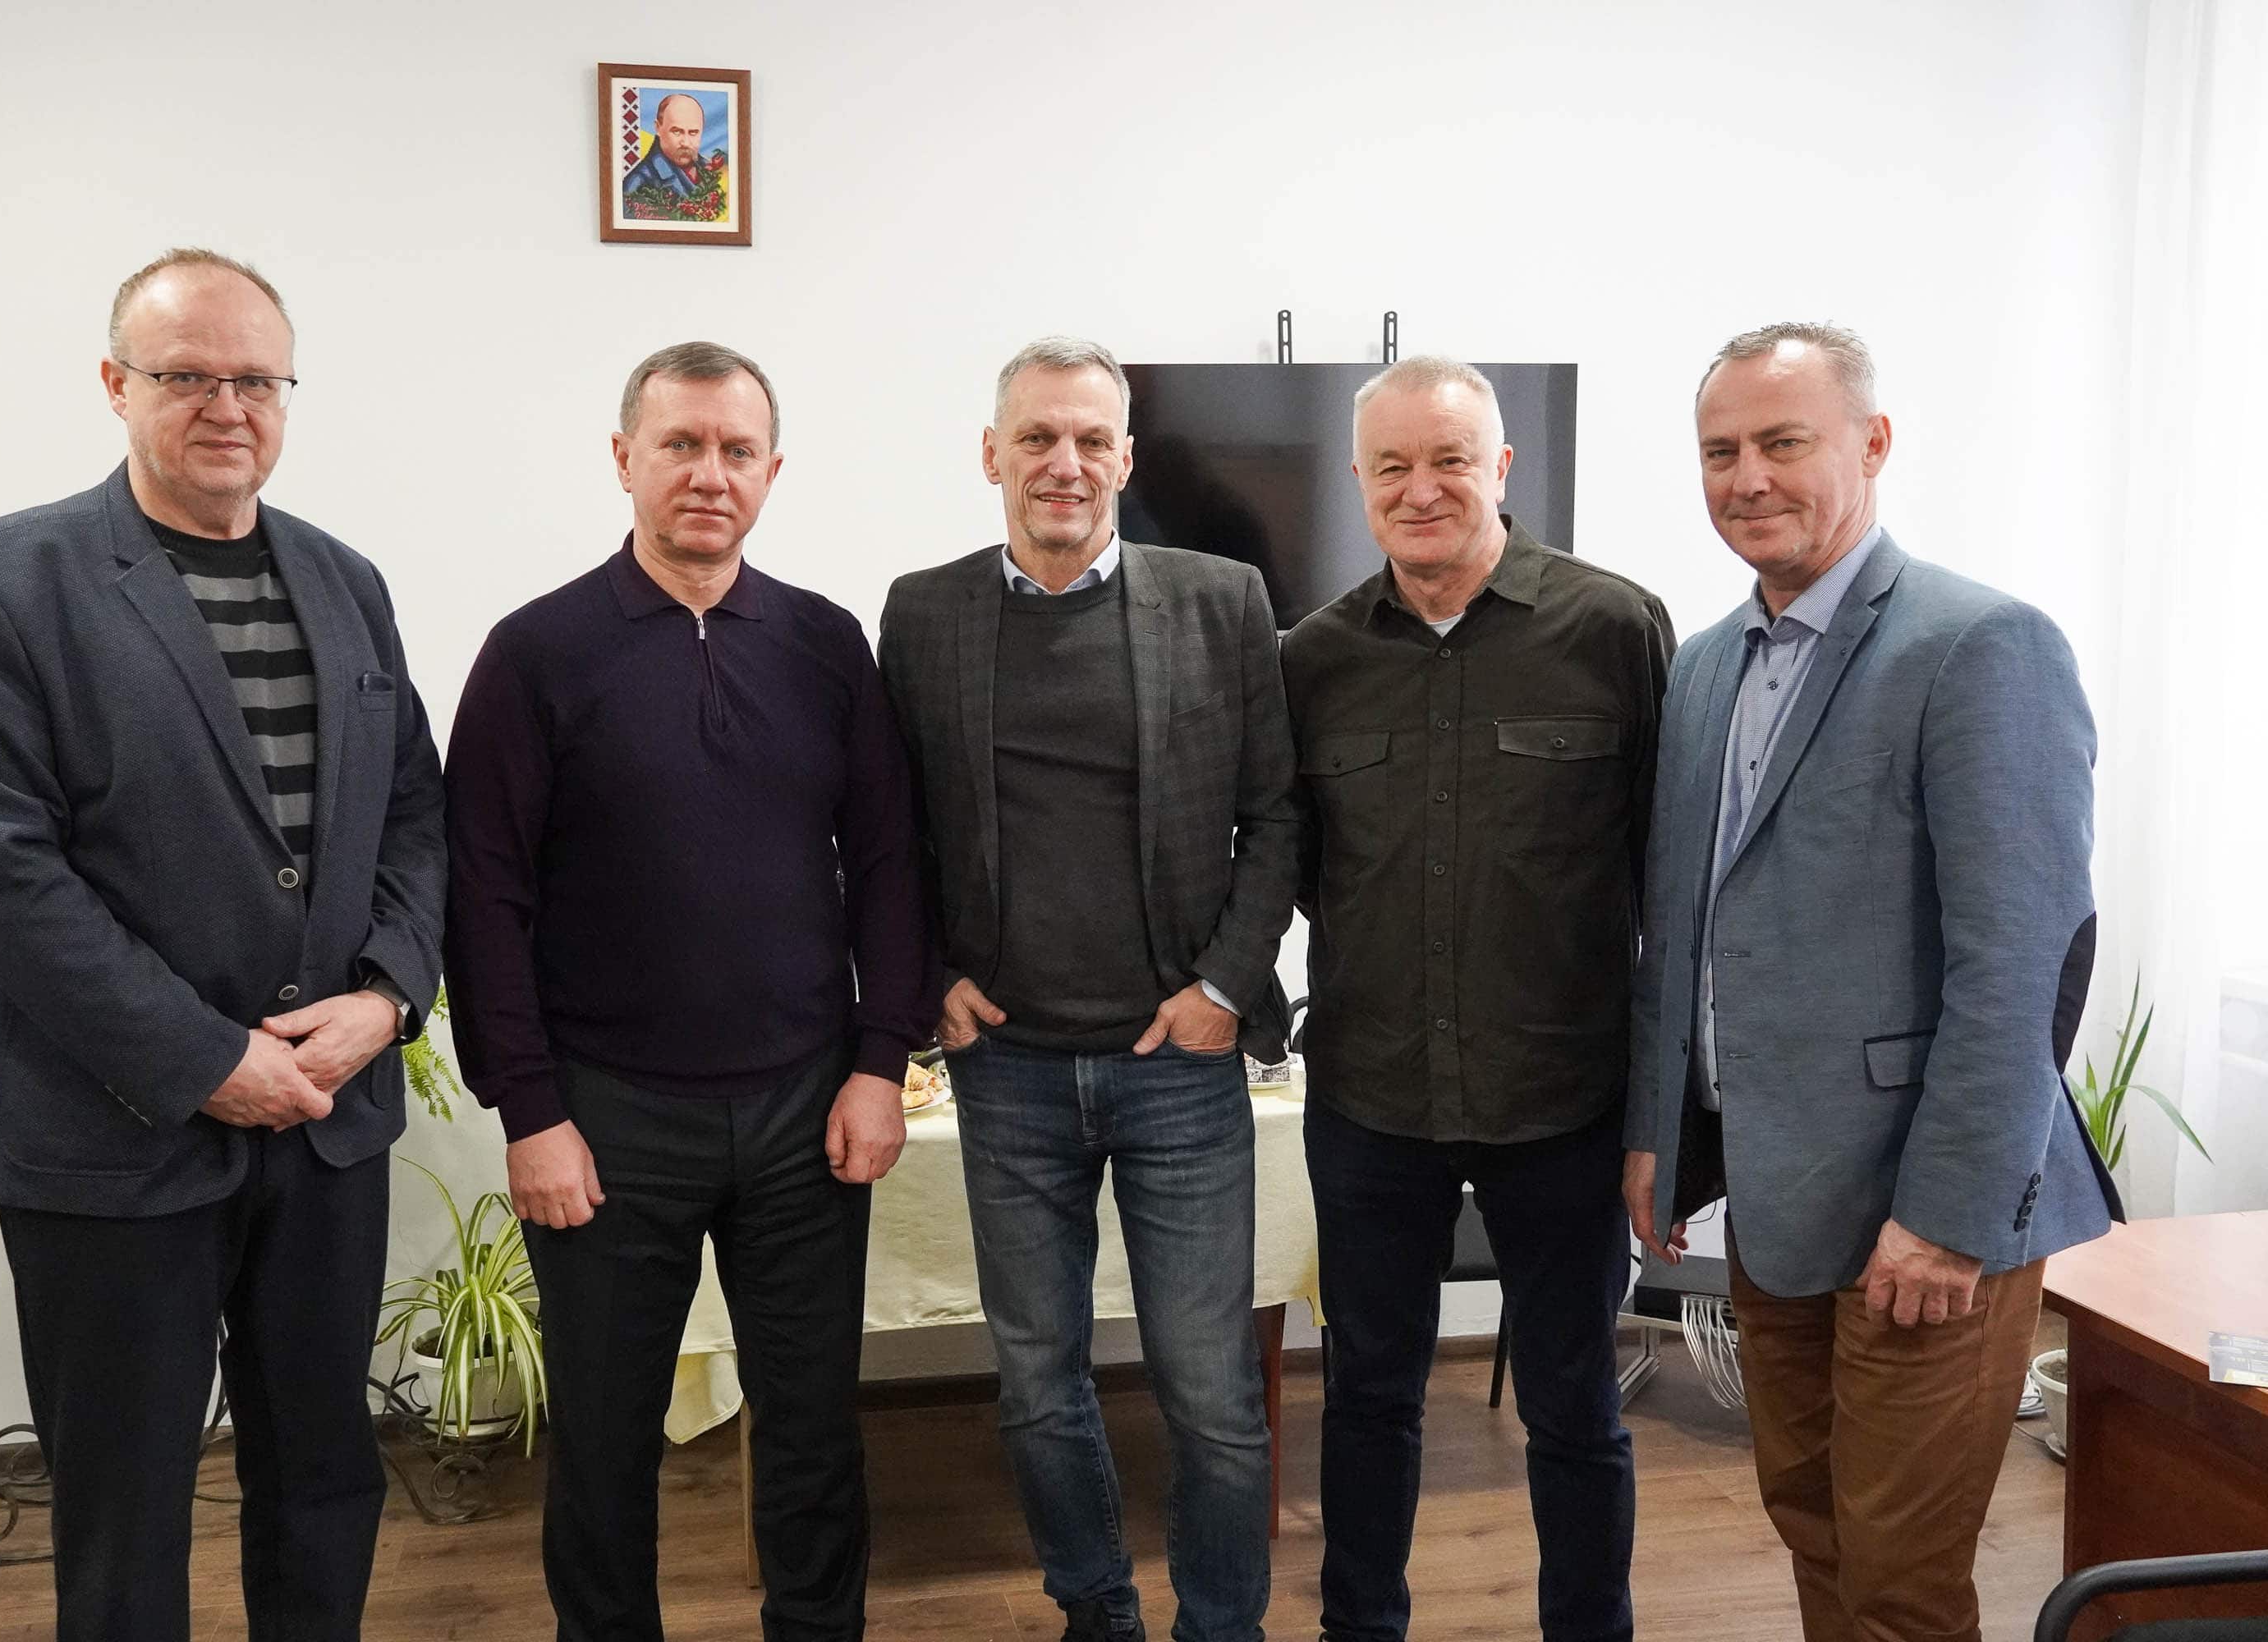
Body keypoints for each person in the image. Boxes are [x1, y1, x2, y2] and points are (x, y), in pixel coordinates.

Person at [0, 246, 447, 1640]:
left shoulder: (347, 580)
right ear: (115, 384)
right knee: (126, 1508)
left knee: (324, 1477)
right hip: (113, 1134)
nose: (227, 406)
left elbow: (414, 818)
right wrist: (206, 1059)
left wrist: (387, 996)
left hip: (324, 1123)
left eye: (257, 379)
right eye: (188, 375)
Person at [1623, 322, 2120, 1642]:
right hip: (1779, 1201)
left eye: (1783, 441)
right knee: (1814, 1525)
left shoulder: (1981, 644)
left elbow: (2021, 964)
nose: (1747, 477)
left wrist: (1949, 1217)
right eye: (1720, 451)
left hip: (1923, 1209)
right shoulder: (1704, 666)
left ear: (1874, 443)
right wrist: (1657, 1135)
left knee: (1901, 1575)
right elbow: (1681, 927)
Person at [442, 340, 934, 1642]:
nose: (709, 474)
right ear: (625, 460)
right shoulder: (536, 653)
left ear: (772, 470)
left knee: (814, 1430)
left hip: (806, 1112)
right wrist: (529, 1111)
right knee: (606, 1441)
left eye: (736, 449)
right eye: (680, 445)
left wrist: (880, 1061)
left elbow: (891, 864)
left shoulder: (826, 646)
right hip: (606, 1121)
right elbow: (483, 897)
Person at [878, 336, 1301, 1642]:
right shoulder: (924, 612)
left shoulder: (1222, 599)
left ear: (1126, 458)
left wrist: (1227, 983)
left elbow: (1278, 815)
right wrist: (929, 975)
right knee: (1036, 1384)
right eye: (1037, 437)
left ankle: (1220, 1625)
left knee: (1212, 1391)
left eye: (1090, 439)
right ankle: (1096, 1612)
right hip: (1005, 1072)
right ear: (991, 455)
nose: (1064, 463)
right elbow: (892, 829)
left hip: (1178, 1065)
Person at [1283, 357, 1671, 1642]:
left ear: (1501, 467)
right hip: (1371, 1098)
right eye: (1392, 466)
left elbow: (1669, 880)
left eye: (1449, 459)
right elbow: (1296, 866)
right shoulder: (1313, 658)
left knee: (1574, 1408)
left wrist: (1662, 1110)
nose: (1422, 489)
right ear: (1359, 480)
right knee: (1367, 1399)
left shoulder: (1615, 629)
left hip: (1562, 1099)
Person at [620, 92, 716, 203]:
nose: (686, 142)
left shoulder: (713, 171)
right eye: (677, 132)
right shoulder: (638, 185)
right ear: (658, 128)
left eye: (693, 132)